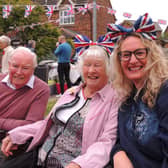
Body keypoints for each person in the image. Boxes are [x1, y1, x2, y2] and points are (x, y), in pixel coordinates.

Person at [0, 45, 120, 168]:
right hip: (39, 159)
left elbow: (107, 141)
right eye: (87, 65)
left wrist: (80, 164)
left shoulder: (113, 100)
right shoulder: (71, 93)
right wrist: (16, 135)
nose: (91, 70)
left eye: (97, 65)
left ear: (108, 68)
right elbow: (46, 124)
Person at [108, 13, 168, 168]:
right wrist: (118, 153)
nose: (133, 60)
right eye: (126, 55)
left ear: (152, 55)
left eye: (139, 53)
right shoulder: (127, 98)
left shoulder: (164, 92)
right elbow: (120, 141)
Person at [0, 46, 50, 140]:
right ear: (9, 65)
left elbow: (31, 124)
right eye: (15, 66)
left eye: (25, 68)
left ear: (33, 69)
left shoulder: (41, 89)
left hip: (14, 141)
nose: (19, 72)